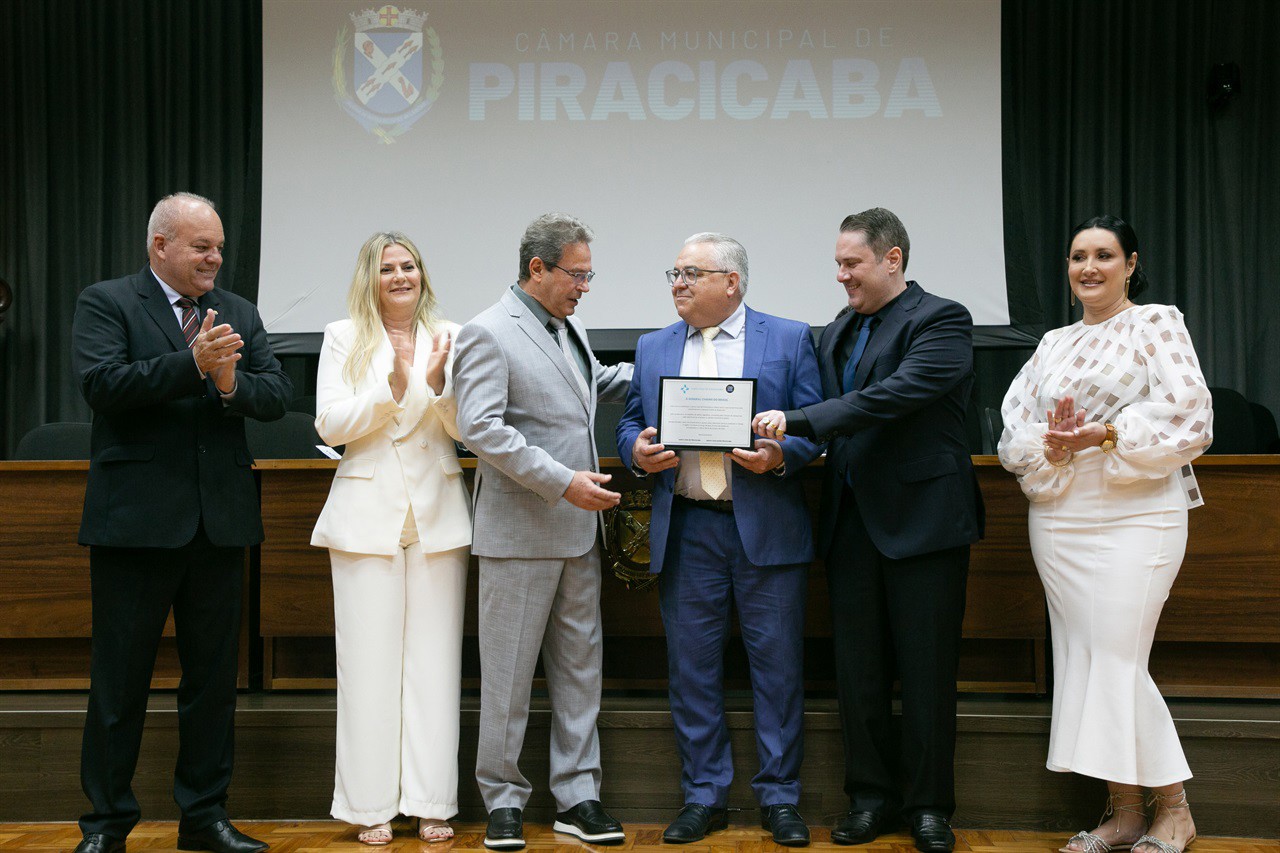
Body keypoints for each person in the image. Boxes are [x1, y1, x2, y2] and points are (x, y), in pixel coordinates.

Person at [754, 208, 984, 853]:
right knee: (858, 672)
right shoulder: (836, 332)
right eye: (838, 264)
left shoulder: (943, 319)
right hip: (851, 520)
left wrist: (797, 420)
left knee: (927, 670)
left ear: (893, 259)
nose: (841, 276)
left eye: (852, 263)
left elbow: (897, 394)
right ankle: (870, 799)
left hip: (925, 521)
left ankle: (930, 807)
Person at [70, 192, 292, 853]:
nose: (215, 257)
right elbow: (102, 384)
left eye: (219, 246)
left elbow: (276, 395)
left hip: (219, 526)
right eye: (202, 247)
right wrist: (189, 365)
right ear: (159, 246)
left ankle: (204, 816)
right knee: (120, 682)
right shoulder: (107, 303)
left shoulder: (240, 313)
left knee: (212, 683)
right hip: (134, 526)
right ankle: (106, 824)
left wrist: (228, 383)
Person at [997, 215, 1212, 853]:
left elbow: (1192, 414)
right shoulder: (1053, 344)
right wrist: (1054, 445)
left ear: (1130, 264)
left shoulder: (1155, 323)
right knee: (1086, 660)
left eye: (1104, 256)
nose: (1088, 268)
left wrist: (1107, 432)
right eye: (1077, 257)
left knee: (1118, 658)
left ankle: (1174, 808)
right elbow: (1015, 429)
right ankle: (1122, 813)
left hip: (1139, 510)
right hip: (1062, 513)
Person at [616, 233, 824, 846]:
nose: (677, 283)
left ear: (731, 282)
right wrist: (637, 450)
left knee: (778, 668)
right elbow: (631, 420)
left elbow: (816, 424)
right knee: (692, 670)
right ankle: (703, 796)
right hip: (688, 527)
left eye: (691, 273)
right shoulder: (654, 346)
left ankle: (780, 799)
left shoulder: (787, 339)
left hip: (766, 526)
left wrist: (780, 454)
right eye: (674, 274)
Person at [452, 212, 633, 851]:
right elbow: (482, 427)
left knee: (580, 670)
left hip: (580, 534)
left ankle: (578, 796)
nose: (585, 286)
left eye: (588, 274)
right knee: (507, 676)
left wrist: (673, 368)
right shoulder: (487, 331)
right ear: (538, 269)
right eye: (576, 274)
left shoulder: (567, 327)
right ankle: (502, 800)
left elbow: (586, 390)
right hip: (523, 531)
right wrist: (561, 482)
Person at [310, 232, 471, 846]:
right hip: (364, 519)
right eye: (388, 269)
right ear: (369, 278)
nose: (400, 276)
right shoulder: (342, 335)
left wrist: (436, 385)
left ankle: (432, 802)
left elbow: (467, 428)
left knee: (435, 668)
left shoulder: (451, 333)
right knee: (367, 669)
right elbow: (329, 421)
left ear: (423, 274)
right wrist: (393, 391)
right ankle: (369, 805)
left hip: (437, 517)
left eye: (409, 266)